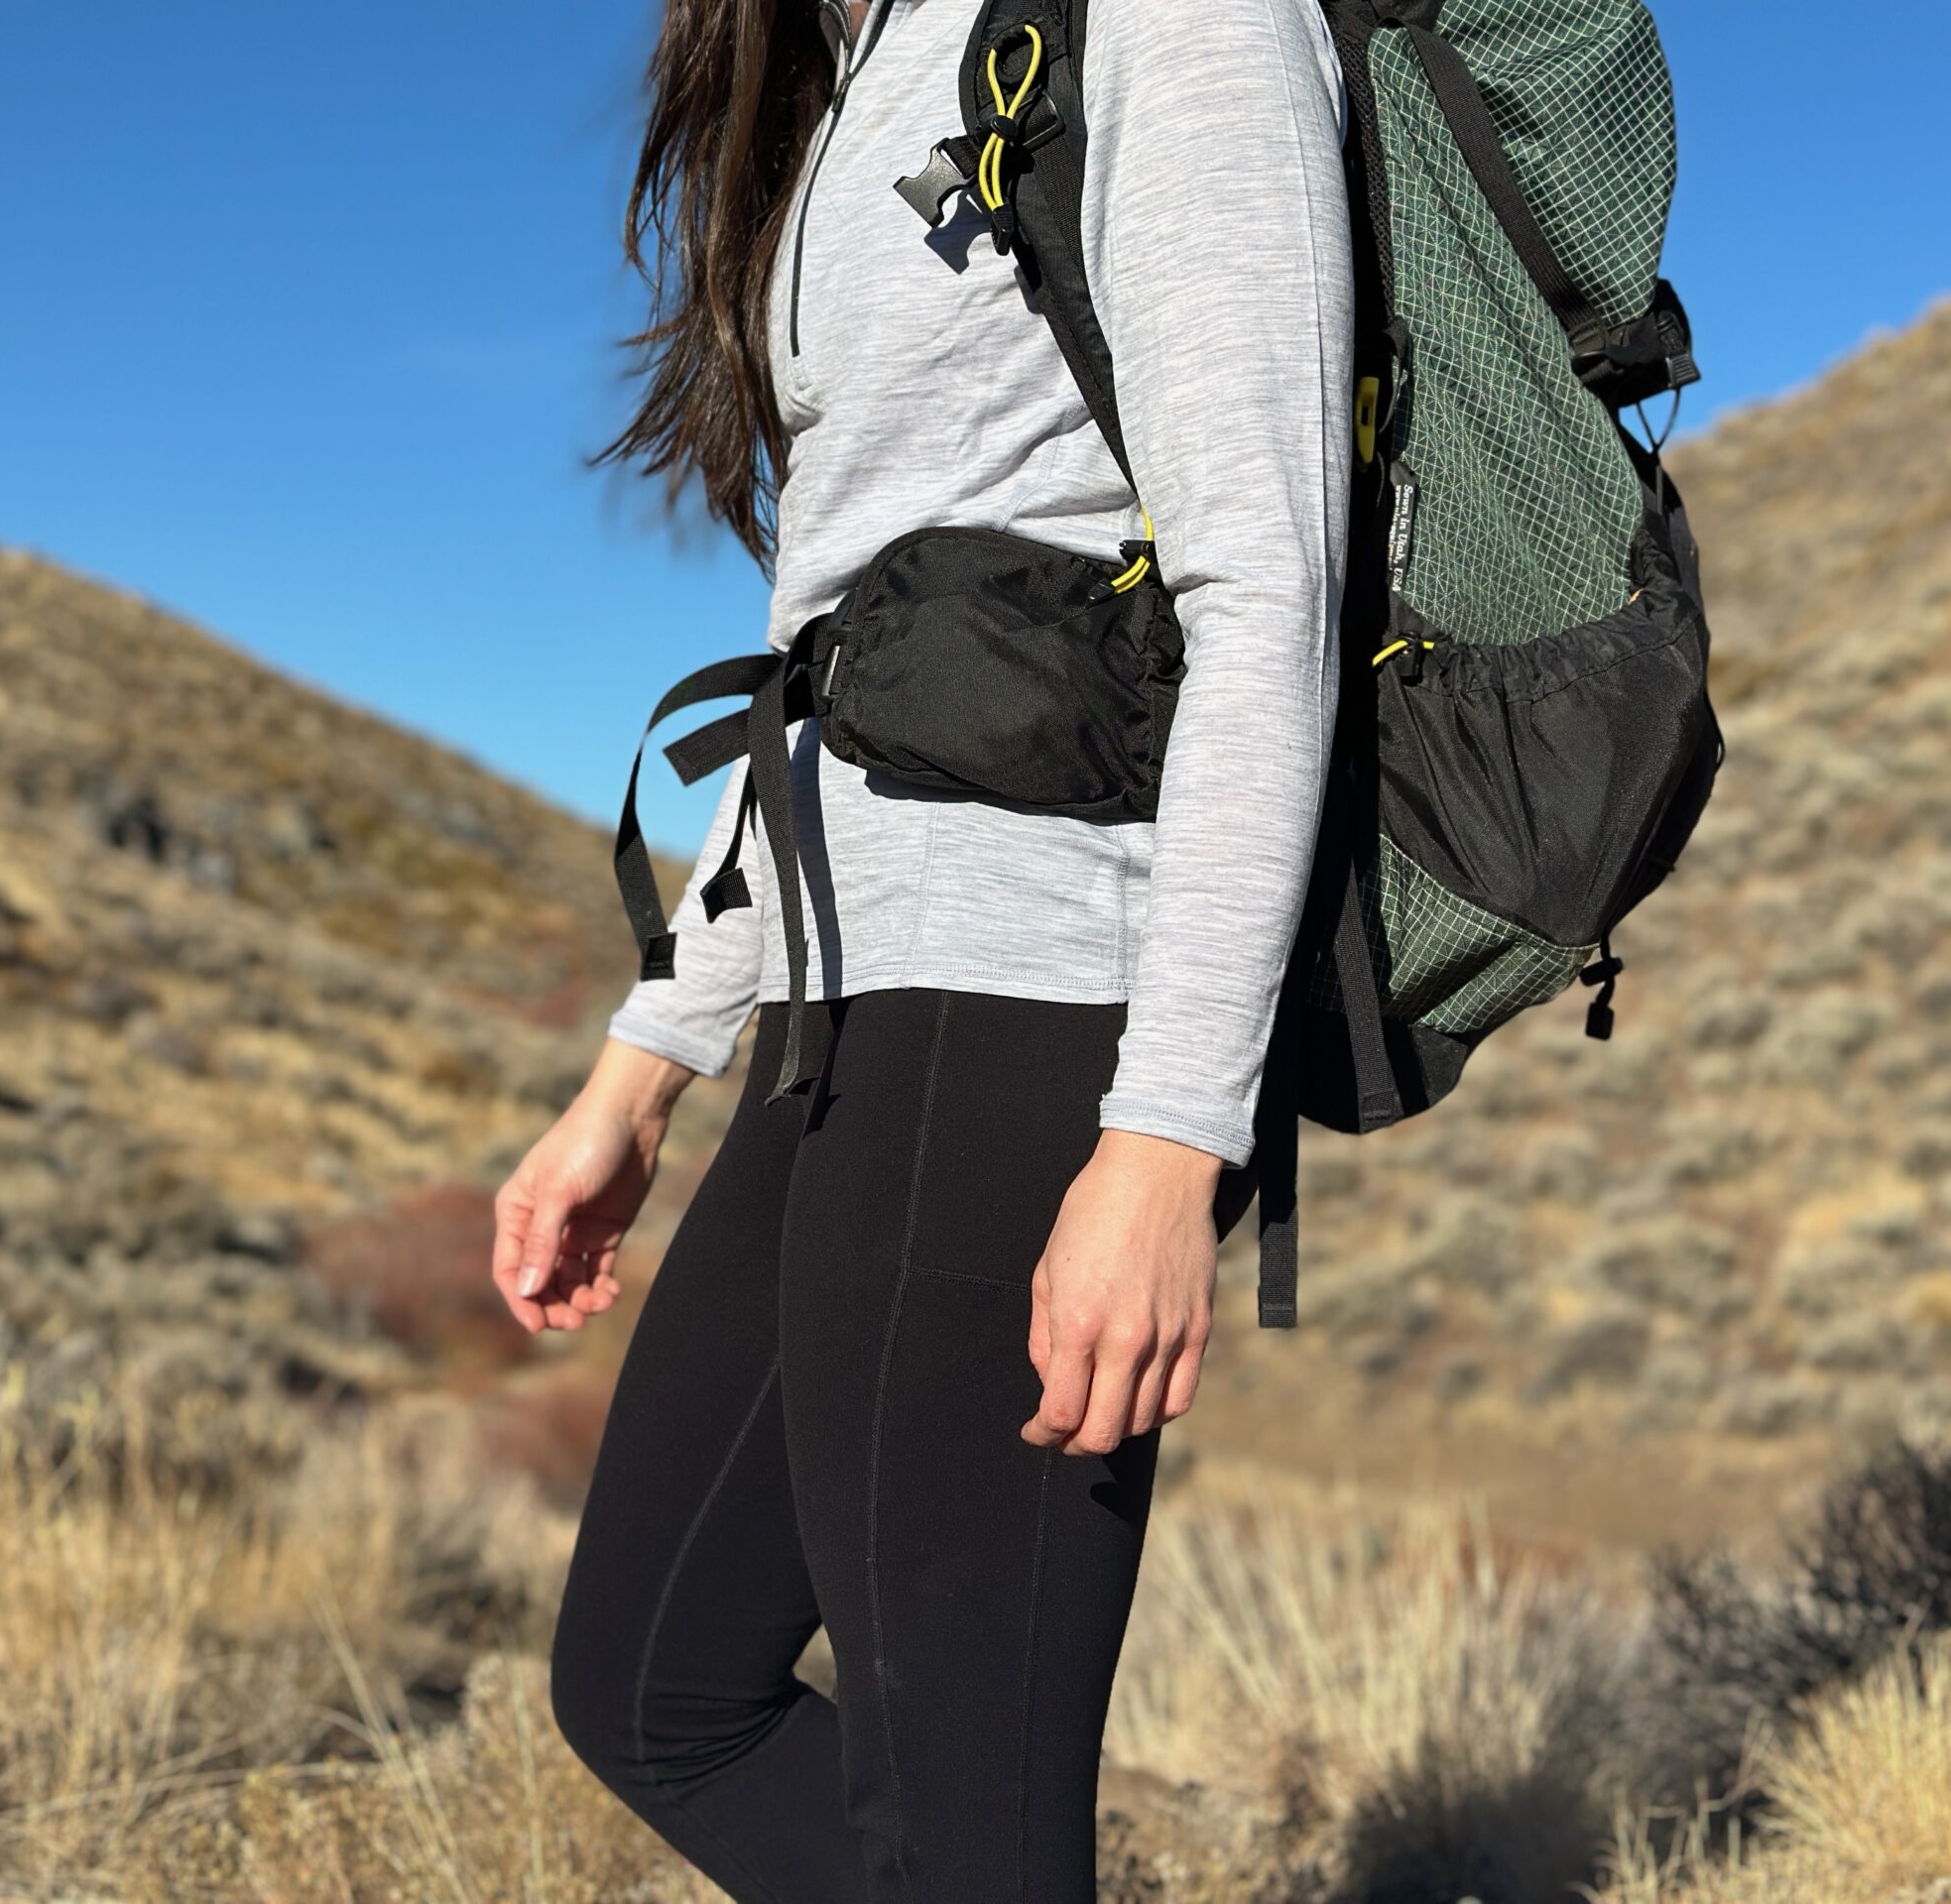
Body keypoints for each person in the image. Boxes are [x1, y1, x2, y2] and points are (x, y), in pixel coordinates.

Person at [497, 0, 1351, 1895]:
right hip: (841, 1000)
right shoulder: (851, 62)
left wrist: (1165, 1140)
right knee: (653, 1688)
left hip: (1045, 989)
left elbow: (1266, 587)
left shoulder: (1173, 21)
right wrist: (638, 1073)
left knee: (958, 1808)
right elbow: (823, 671)